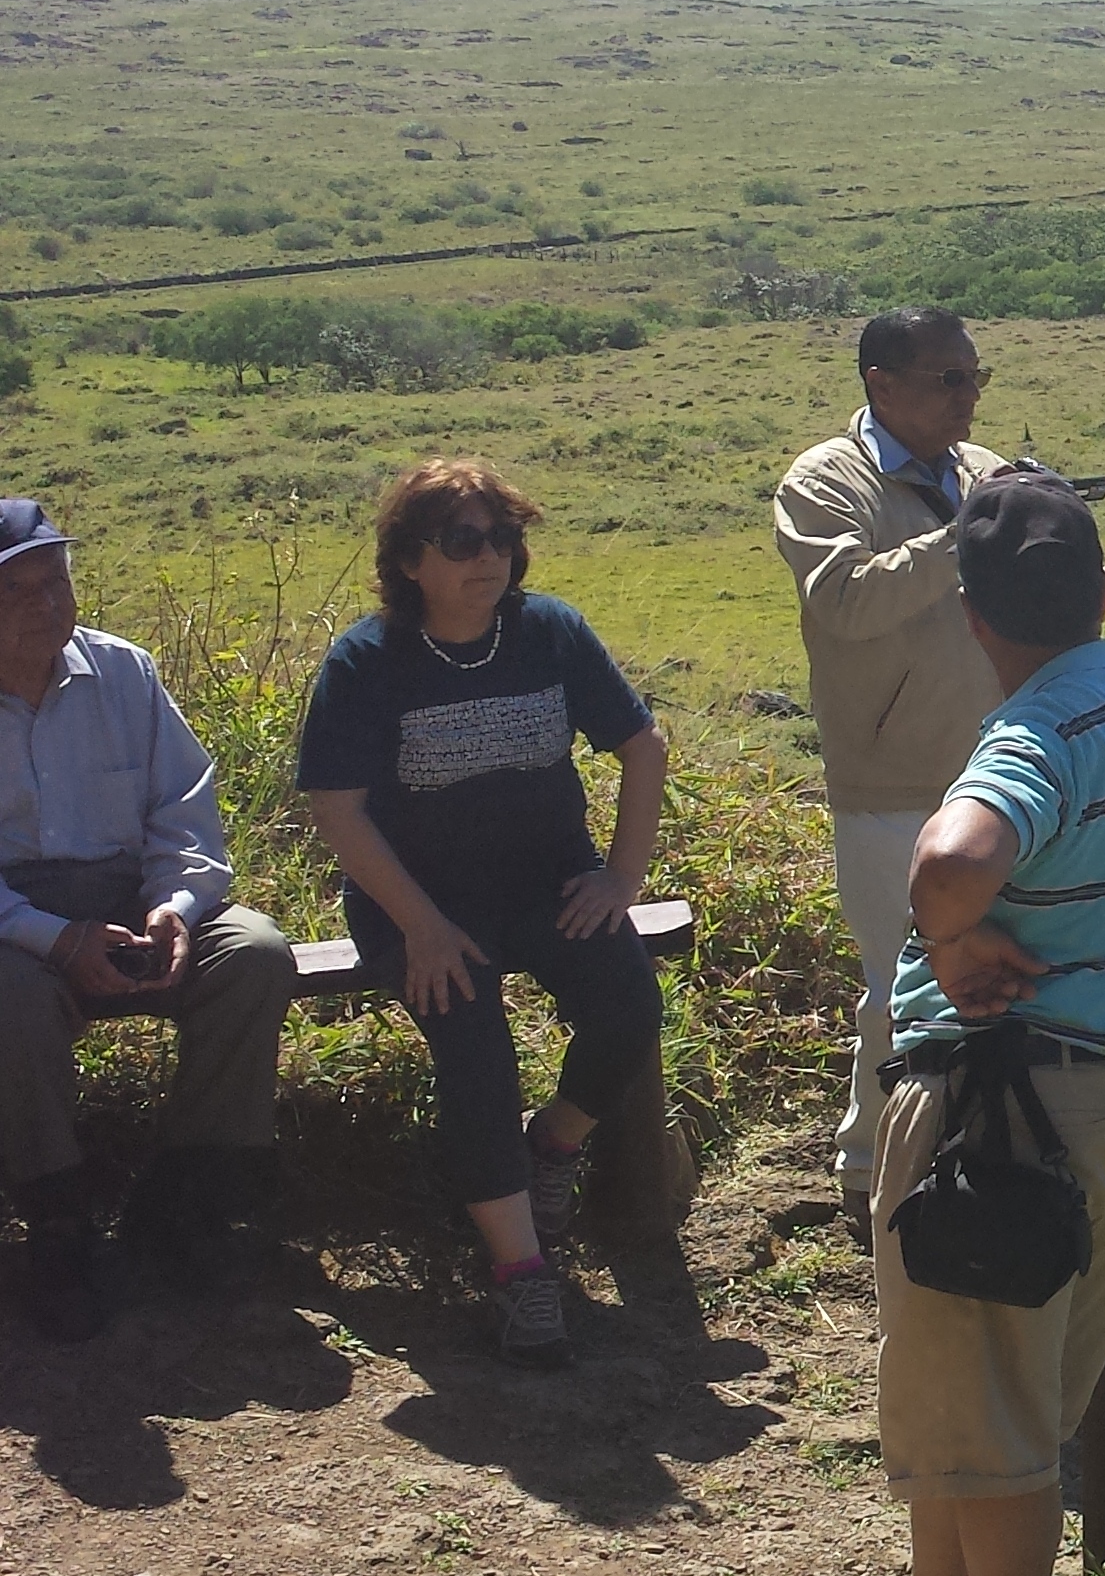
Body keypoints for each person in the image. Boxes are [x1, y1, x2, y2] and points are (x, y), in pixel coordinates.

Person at [796, 470, 1105, 1576]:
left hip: (1006, 1111)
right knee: (977, 1403)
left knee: (994, 1421)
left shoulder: (1039, 728)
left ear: (970, 611)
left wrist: (945, 929)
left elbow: (958, 857)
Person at [296, 459, 667, 1368]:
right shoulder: (367, 660)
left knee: (629, 1004)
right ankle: (520, 1275)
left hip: (547, 881)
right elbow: (338, 811)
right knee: (475, 1050)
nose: (488, 559)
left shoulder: (548, 632)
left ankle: (553, 1148)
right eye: (462, 541)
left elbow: (643, 748)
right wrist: (419, 925)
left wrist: (620, 879)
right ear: (410, 559)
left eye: (501, 538)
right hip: (417, 899)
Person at [0, 497, 302, 1343]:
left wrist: (174, 909)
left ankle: (188, 1203)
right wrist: (53, 938)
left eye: (53, 582)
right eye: (15, 590)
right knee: (7, 996)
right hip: (12, 924)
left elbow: (184, 816)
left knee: (255, 952)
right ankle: (57, 1222)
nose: (43, 606)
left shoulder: (123, 673)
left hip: (131, 898)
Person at [777, 305, 1009, 1233]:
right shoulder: (823, 481)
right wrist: (967, 536)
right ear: (881, 383)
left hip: (997, 773)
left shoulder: (981, 471)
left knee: (992, 974)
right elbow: (843, 603)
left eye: (976, 379)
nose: (968, 398)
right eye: (949, 379)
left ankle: (969, 1152)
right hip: (890, 782)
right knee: (900, 982)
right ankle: (869, 1170)